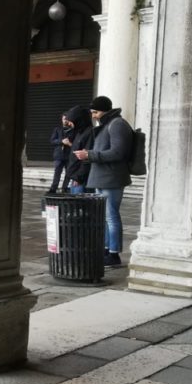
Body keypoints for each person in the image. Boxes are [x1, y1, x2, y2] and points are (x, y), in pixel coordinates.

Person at [73, 95, 133, 268]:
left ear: (105, 110)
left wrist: (90, 155)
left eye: (96, 112)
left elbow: (118, 152)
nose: (93, 116)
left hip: (112, 178)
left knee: (111, 216)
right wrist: (88, 153)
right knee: (106, 217)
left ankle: (114, 255)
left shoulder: (117, 124)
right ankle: (107, 250)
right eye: (92, 112)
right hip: (103, 177)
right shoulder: (108, 124)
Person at [61, 105, 94, 194]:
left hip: (80, 180)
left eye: (71, 121)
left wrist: (78, 177)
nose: (70, 124)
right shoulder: (79, 132)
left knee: (80, 206)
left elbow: (86, 158)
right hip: (75, 177)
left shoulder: (89, 133)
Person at [49, 113, 71, 193]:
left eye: (67, 119)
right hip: (59, 155)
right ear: (62, 119)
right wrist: (61, 141)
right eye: (64, 119)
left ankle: (64, 188)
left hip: (69, 155)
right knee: (57, 172)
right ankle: (53, 188)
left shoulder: (73, 129)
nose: (65, 120)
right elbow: (52, 141)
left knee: (68, 173)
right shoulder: (57, 129)